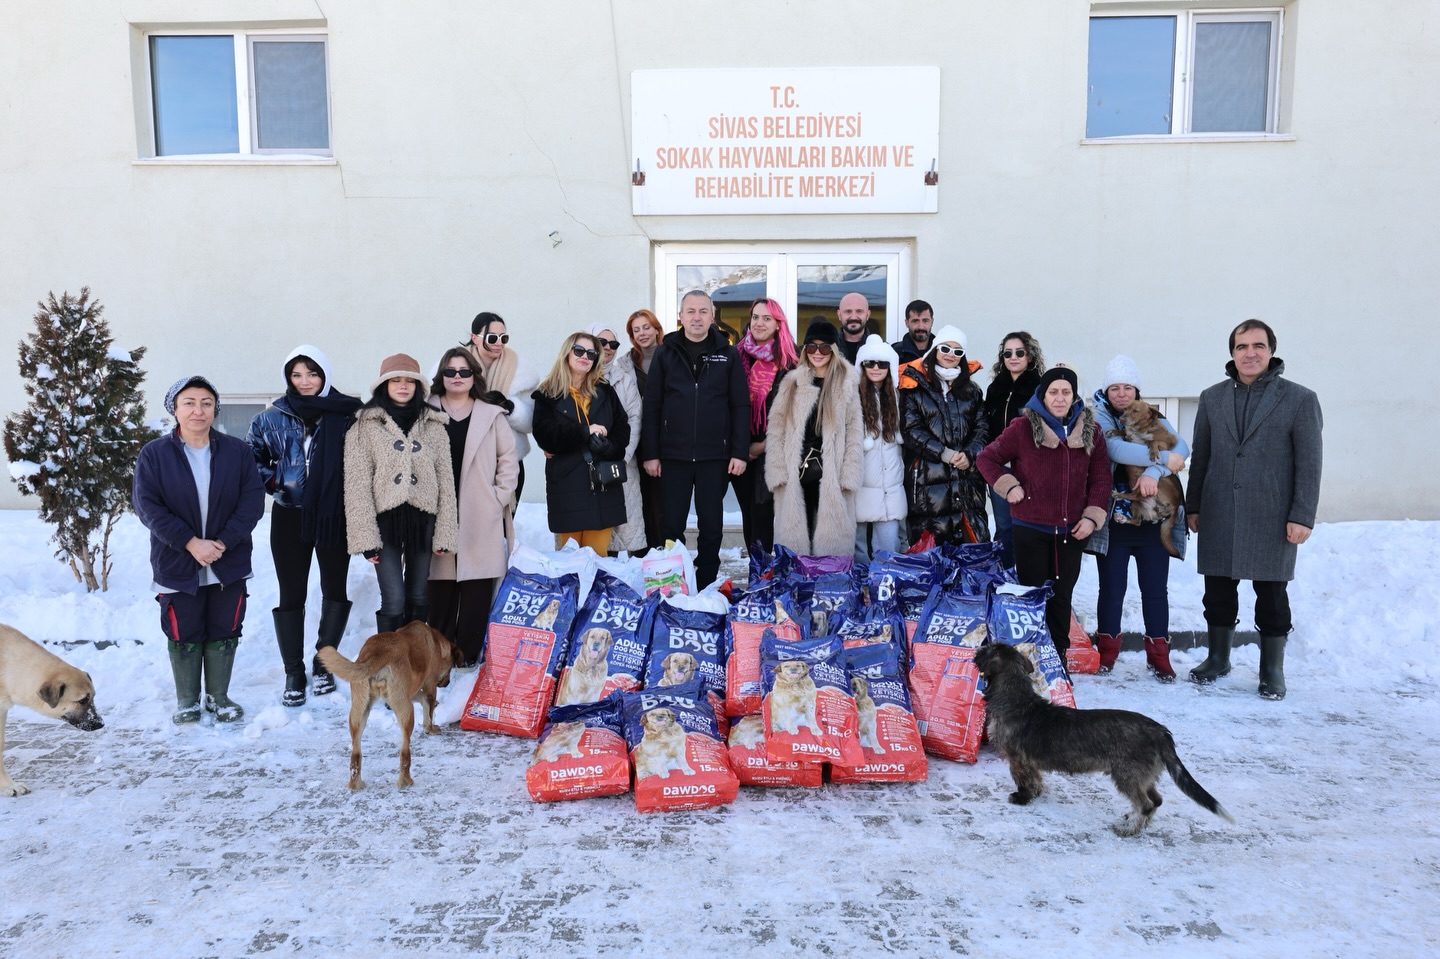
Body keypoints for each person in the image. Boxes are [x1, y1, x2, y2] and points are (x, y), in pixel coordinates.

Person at [1185, 320, 1322, 700]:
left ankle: (1272, 669)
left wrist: (1302, 515)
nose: (1250, 353)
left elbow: (1310, 464)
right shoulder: (1212, 398)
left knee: (1273, 597)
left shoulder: (1300, 399)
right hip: (1219, 511)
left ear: (1271, 351)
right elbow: (1202, 456)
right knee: (1217, 593)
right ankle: (1218, 658)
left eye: (1258, 345)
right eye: (1241, 346)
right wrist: (1193, 505)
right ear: (1232, 353)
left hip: (1273, 516)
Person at [134, 375, 264, 724]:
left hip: (228, 559)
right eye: (189, 402)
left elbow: (252, 502)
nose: (198, 410)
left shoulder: (237, 452)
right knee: (183, 629)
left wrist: (222, 542)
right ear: (174, 409)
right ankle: (188, 700)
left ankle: (219, 697)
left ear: (215, 409)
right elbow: (148, 507)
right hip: (177, 560)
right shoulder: (154, 455)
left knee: (225, 627)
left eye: (206, 403)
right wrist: (190, 543)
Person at [245, 346, 361, 706]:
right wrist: (277, 482)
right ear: (288, 378)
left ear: (324, 375)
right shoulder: (271, 418)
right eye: (297, 375)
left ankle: (324, 662)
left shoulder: (348, 415)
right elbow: (252, 458)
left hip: (333, 516)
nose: (305, 381)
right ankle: (293, 671)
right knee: (291, 593)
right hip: (289, 515)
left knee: (335, 589)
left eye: (312, 374)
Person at [978, 367, 1111, 662]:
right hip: (1030, 529)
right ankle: (1030, 660)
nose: (1060, 398)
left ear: (1074, 395)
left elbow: (1101, 479)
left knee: (1062, 597)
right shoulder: (1023, 427)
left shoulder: (1092, 430)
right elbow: (987, 458)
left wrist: (1091, 517)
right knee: (1031, 597)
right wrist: (1009, 486)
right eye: (1054, 392)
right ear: (1043, 394)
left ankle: (1058, 659)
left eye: (1066, 392)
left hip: (1071, 531)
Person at [1086, 355, 1190, 680]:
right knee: (1112, 589)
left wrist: (1155, 472)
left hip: (1153, 519)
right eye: (1114, 387)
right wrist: (1164, 460)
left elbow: (1182, 446)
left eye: (1127, 387)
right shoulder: (1098, 417)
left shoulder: (1150, 413)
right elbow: (1117, 451)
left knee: (1155, 590)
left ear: (1136, 389)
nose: (1121, 394)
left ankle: (1159, 657)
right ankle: (1106, 655)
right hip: (1116, 522)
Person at [640, 290, 750, 588]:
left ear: (712, 317)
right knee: (671, 524)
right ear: (680, 316)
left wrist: (739, 451)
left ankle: (705, 585)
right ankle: (671, 584)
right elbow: (652, 406)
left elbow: (739, 405)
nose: (697, 317)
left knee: (711, 526)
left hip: (714, 457)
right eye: (691, 311)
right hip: (672, 456)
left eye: (703, 311)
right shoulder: (666, 352)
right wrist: (651, 453)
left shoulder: (727, 353)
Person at [344, 354, 458, 633]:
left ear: (419, 386)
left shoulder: (434, 425)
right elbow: (357, 484)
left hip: (423, 520)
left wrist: (445, 533)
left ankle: (416, 661)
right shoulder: (364, 427)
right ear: (384, 385)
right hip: (385, 521)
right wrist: (365, 538)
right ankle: (390, 662)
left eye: (410, 381)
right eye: (396, 380)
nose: (403, 386)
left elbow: (446, 481)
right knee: (393, 598)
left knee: (418, 595)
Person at [426, 348, 518, 667]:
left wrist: (497, 498)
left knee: (477, 592)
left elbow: (509, 459)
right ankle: (439, 662)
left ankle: (467, 660)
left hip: (481, 514)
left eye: (464, 372)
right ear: (441, 376)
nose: (457, 377)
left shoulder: (490, 414)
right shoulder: (425, 412)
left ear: (473, 377)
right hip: (436, 514)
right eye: (450, 372)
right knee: (439, 591)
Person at [764, 320, 863, 556]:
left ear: (834, 350)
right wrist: (777, 470)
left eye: (824, 348)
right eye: (811, 347)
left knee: (831, 536)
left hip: (832, 471)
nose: (817, 353)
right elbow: (776, 427)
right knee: (797, 533)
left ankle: (829, 582)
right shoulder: (791, 382)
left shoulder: (846, 384)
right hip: (795, 470)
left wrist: (849, 474)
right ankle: (796, 583)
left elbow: (854, 432)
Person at [532, 332, 631, 554]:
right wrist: (585, 432)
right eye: (579, 351)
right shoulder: (546, 393)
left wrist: (609, 447)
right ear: (567, 353)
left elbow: (623, 430)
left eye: (591, 353)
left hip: (603, 485)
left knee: (597, 559)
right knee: (570, 562)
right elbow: (545, 435)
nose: (585, 356)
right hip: (568, 483)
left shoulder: (605, 390)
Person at [898, 324, 990, 546]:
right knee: (932, 553)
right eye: (946, 349)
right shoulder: (915, 387)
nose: (951, 355)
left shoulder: (972, 390)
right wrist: (944, 454)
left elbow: (982, 429)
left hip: (966, 480)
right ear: (935, 350)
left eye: (958, 351)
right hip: (928, 480)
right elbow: (911, 430)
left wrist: (969, 454)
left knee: (969, 549)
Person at [734, 297, 799, 552]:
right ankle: (756, 570)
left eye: (767, 318)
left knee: (764, 513)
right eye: (755, 317)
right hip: (740, 450)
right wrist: (742, 447)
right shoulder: (736, 356)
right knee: (748, 513)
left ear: (778, 324)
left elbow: (794, 412)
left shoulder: (788, 361)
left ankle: (766, 573)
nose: (759, 323)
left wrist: (762, 446)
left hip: (772, 450)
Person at [983, 331, 1046, 568]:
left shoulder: (1040, 388)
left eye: (1019, 352)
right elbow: (986, 426)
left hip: (1029, 469)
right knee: (1003, 526)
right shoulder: (994, 388)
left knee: (1029, 526)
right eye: (1008, 353)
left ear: (1029, 356)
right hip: (1000, 468)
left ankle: (1030, 578)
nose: (1014, 357)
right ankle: (1004, 577)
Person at [587, 322, 646, 554]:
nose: (608, 348)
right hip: (587, 462)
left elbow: (635, 418)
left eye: (613, 344)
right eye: (602, 342)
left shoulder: (624, 378)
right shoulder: (577, 375)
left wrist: (623, 454)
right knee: (595, 530)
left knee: (626, 525)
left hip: (621, 461)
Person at [466, 312, 538, 504]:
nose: (499, 342)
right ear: (474, 338)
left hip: (508, 462)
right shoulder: (455, 368)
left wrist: (510, 407)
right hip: (466, 460)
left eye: (504, 338)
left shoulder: (521, 372)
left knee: (504, 528)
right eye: (492, 338)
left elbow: (532, 422)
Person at [853, 335, 907, 560]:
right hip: (859, 481)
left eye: (882, 364)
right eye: (869, 363)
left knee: (888, 550)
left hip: (890, 484)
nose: (876, 368)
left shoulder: (899, 396)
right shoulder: (852, 395)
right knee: (857, 552)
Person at [624, 308, 666, 550]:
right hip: (637, 444)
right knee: (642, 504)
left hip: (667, 441)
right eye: (636, 330)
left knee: (663, 505)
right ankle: (643, 559)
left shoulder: (671, 357)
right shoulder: (626, 364)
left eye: (646, 327)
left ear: (657, 329)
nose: (642, 333)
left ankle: (665, 557)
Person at [891, 299, 935, 364]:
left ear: (932, 322)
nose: (921, 327)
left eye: (925, 321)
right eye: (915, 321)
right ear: (906, 323)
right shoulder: (894, 353)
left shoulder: (943, 352)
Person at [836, 292, 871, 364]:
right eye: (848, 311)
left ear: (868, 314)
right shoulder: (827, 348)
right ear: (839, 315)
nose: (853, 317)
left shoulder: (880, 349)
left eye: (859, 311)